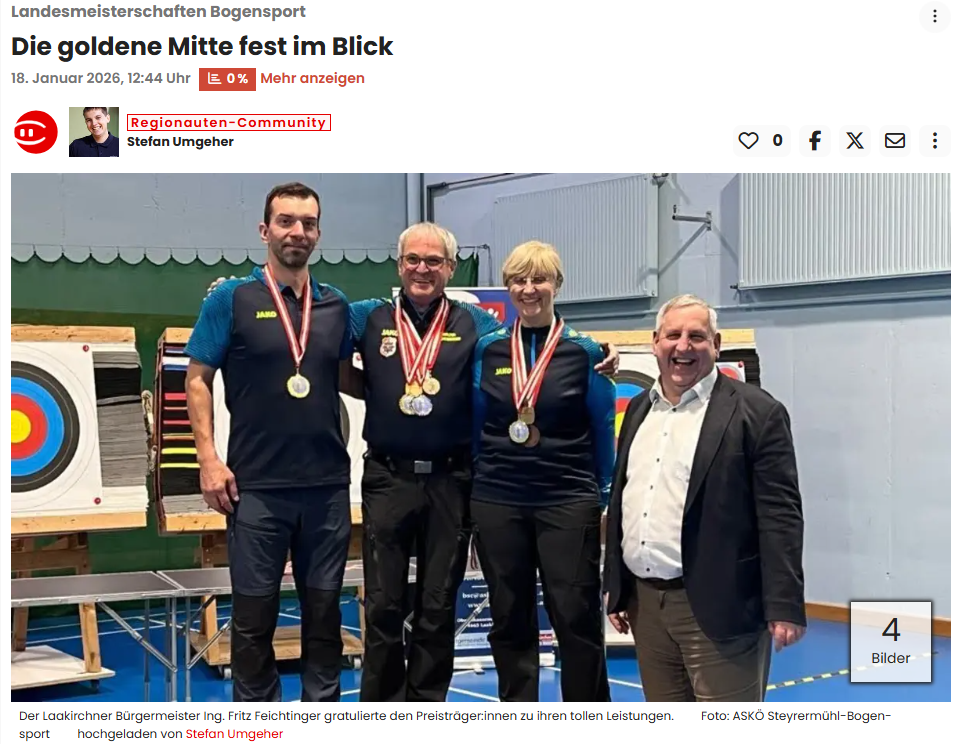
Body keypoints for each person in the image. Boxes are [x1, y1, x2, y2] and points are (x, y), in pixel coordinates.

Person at [205, 223, 619, 702]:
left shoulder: (478, 326)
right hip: (388, 477)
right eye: (413, 260)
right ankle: (382, 714)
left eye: (434, 261)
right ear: (399, 265)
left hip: (452, 480)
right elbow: (307, 315)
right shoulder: (366, 316)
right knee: (383, 604)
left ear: (450, 268)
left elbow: (532, 340)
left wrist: (600, 351)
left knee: (438, 606)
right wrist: (233, 292)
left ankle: (426, 713)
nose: (423, 269)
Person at [184, 182, 361, 702]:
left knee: (324, 616)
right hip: (256, 488)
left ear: (318, 234)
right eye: (286, 221)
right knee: (254, 619)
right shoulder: (231, 299)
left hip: (327, 488)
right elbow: (197, 380)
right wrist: (208, 460)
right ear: (265, 230)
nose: (297, 232)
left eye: (308, 223)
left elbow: (345, 375)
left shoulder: (335, 305)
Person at [603, 293, 806, 702]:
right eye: (672, 335)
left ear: (716, 345)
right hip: (646, 607)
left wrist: (784, 603)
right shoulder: (639, 409)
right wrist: (617, 586)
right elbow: (624, 501)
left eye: (696, 336)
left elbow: (780, 515)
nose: (683, 346)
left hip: (723, 607)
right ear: (655, 342)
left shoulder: (758, 412)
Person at [470, 240, 615, 702]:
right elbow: (476, 425)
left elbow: (602, 427)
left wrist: (603, 497)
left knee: (575, 615)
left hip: (567, 499)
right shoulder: (489, 348)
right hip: (498, 499)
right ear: (508, 287)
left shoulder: (585, 351)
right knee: (509, 617)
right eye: (519, 280)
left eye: (539, 279)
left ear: (558, 285)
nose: (529, 288)